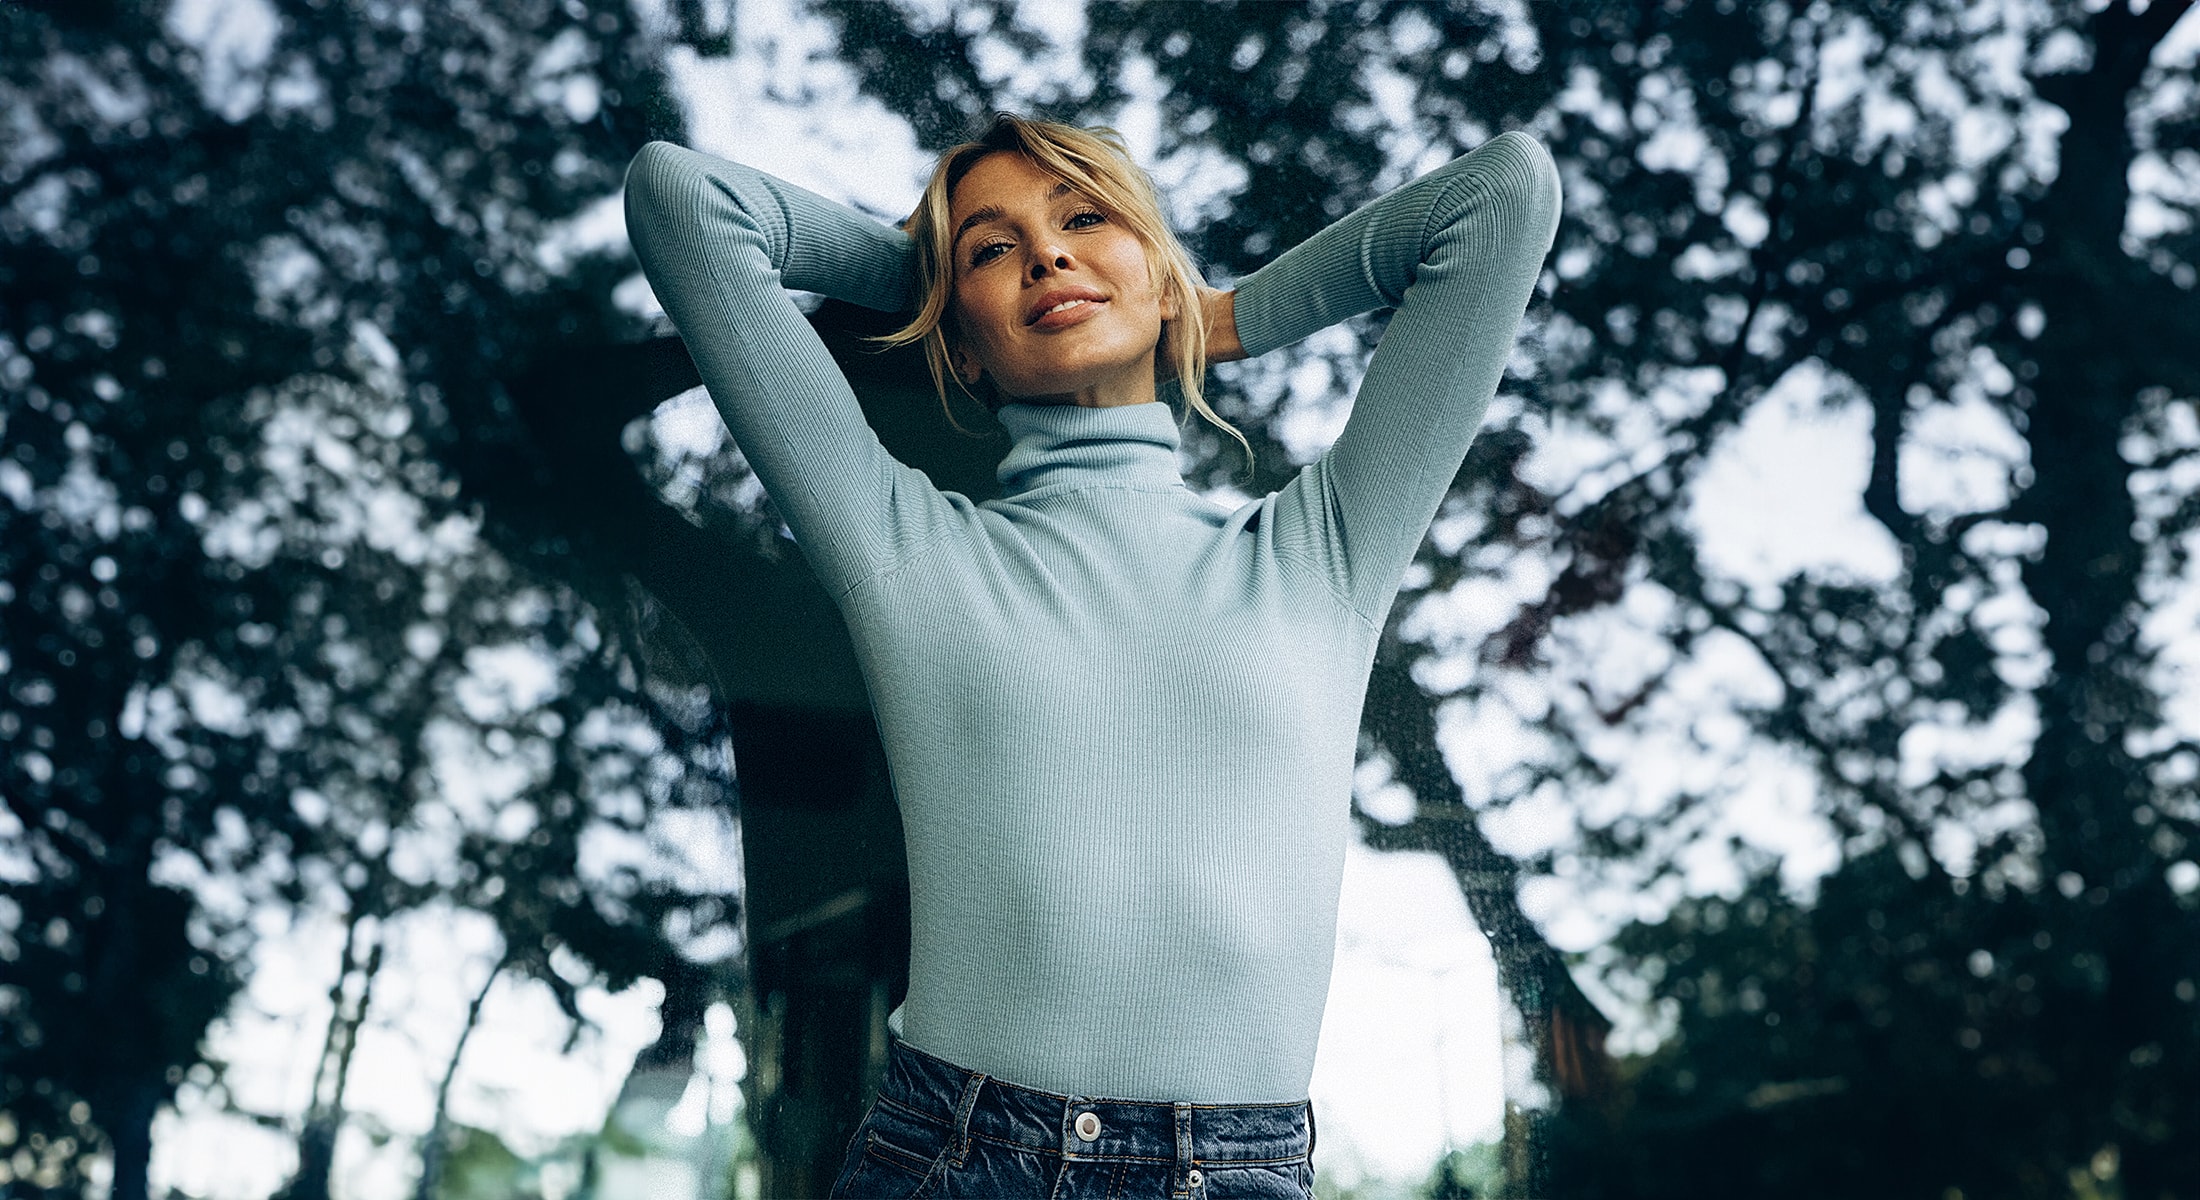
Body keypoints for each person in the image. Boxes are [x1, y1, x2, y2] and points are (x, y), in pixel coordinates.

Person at [623, 111, 1562, 1199]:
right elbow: (683, 203)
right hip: (959, 1157)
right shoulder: (906, 548)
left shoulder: (1319, 551)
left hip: (1238, 1171)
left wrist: (1212, 313)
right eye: (992, 246)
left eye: (1084, 219)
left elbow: (1503, 196)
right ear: (958, 345)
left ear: (1160, 271)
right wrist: (935, 277)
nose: (1047, 254)